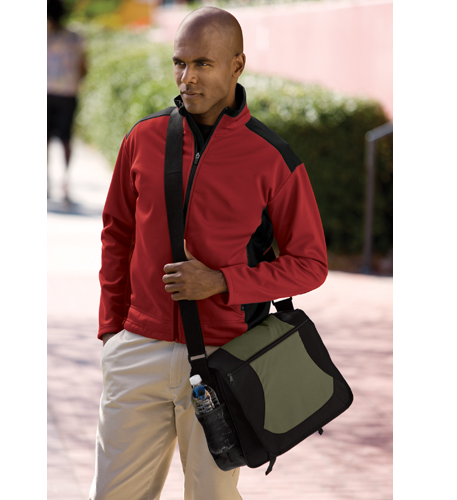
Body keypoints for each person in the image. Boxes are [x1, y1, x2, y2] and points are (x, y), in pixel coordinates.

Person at [90, 6, 328, 500]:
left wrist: (223, 282)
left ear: (237, 66)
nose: (187, 77)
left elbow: (310, 264)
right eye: (180, 63)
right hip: (138, 349)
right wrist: (113, 330)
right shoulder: (143, 138)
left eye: (203, 63)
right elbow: (117, 233)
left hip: (224, 359)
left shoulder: (272, 158)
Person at [47, 0, 87, 202]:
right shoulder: (75, 38)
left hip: (50, 93)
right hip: (68, 93)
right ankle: (64, 181)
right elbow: (84, 67)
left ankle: (50, 181)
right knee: (66, 139)